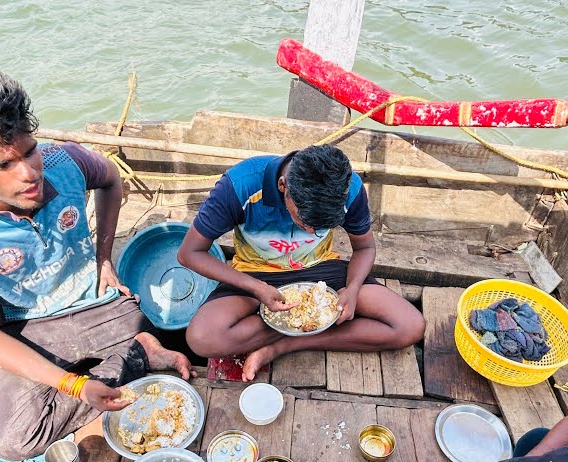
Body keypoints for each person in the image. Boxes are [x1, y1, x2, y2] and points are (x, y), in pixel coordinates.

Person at [0, 67, 191, 462]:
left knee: (157, 318)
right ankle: (138, 356)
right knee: (14, 440)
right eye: (2, 165)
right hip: (24, 330)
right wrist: (75, 386)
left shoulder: (66, 161)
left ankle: (139, 346)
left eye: (29, 151)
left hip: (94, 307)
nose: (29, 174)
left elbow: (112, 181)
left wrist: (104, 258)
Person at [176, 144, 425, 379]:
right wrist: (256, 287)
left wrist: (352, 288)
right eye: (304, 220)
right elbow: (189, 253)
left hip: (321, 271)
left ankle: (285, 344)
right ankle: (312, 324)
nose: (310, 233)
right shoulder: (239, 185)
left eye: (321, 227)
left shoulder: (347, 188)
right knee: (202, 338)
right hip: (256, 274)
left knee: (410, 326)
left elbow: (365, 247)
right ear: (283, 185)